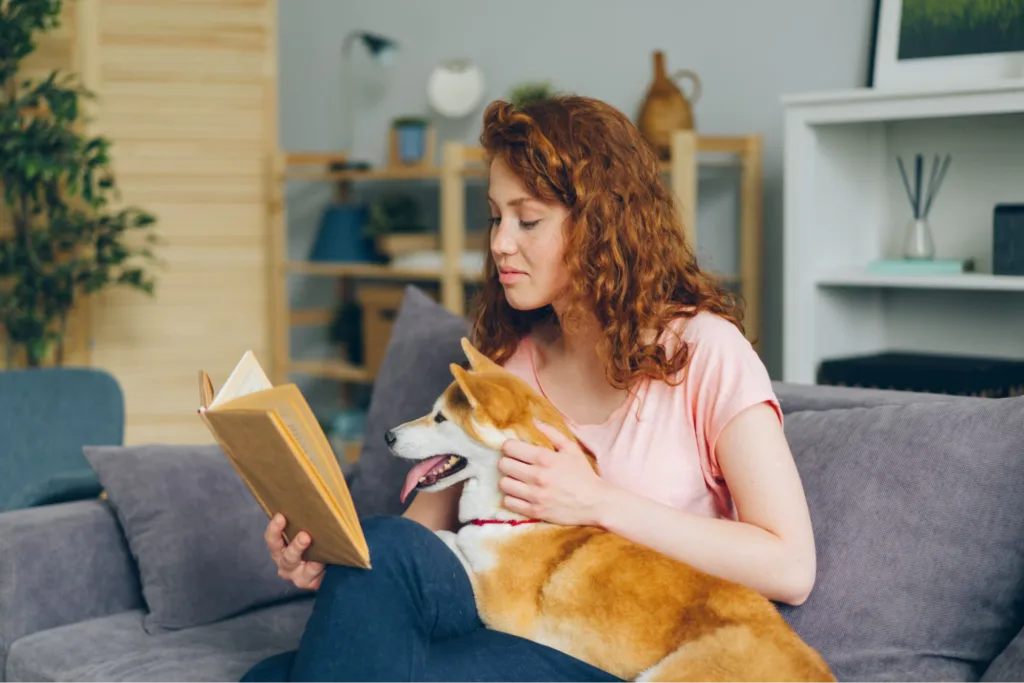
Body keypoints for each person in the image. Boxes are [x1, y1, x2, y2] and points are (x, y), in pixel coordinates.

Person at [240, 95, 817, 683]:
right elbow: (414, 542)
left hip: (627, 650)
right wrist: (334, 562)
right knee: (335, 603)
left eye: (528, 219)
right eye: (495, 216)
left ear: (603, 223)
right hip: (511, 620)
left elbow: (790, 565)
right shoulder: (510, 366)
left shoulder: (703, 352)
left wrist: (597, 502)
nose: (499, 244)